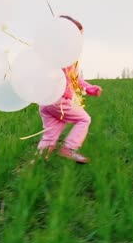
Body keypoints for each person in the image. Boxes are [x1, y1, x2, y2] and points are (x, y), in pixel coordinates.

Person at [37, 15, 102, 163]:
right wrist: (89, 88)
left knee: (50, 136)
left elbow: (74, 79)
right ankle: (69, 148)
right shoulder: (66, 55)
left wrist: (89, 88)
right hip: (58, 101)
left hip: (46, 102)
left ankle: (37, 166)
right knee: (84, 119)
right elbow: (74, 78)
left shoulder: (49, 52)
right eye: (77, 35)